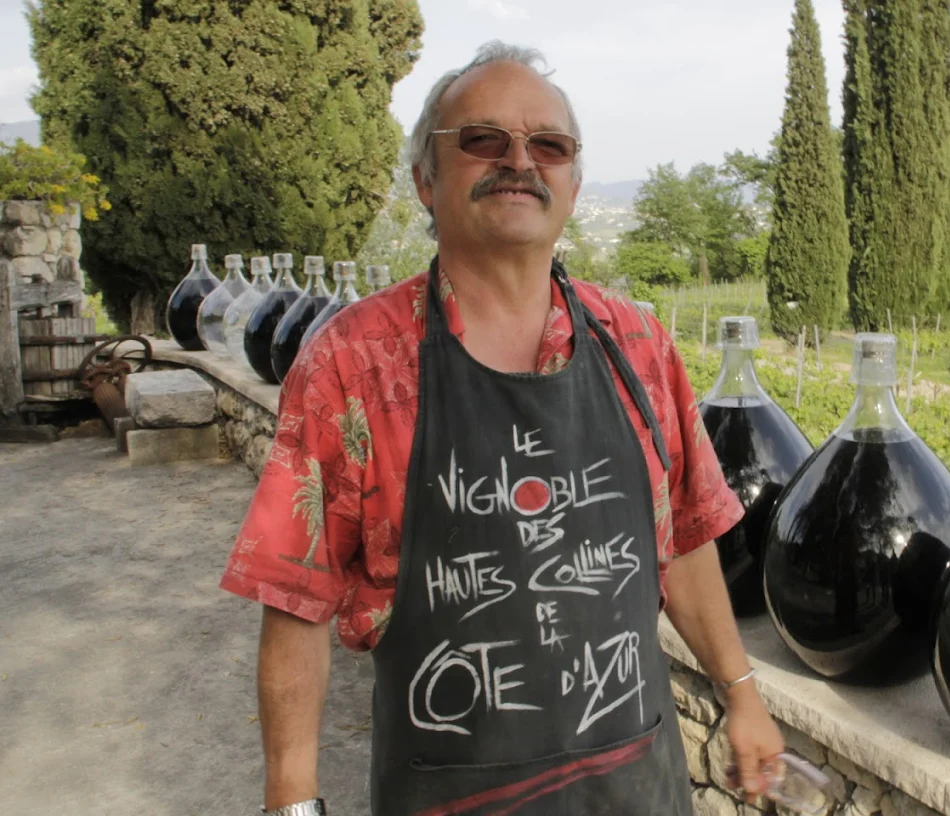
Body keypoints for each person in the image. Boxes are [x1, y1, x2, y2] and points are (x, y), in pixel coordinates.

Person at [219, 41, 784, 816]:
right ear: (425, 178)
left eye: (548, 145)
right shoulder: (351, 366)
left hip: (635, 790)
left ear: (575, 185)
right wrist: (292, 800)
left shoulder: (639, 345)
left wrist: (741, 693)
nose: (520, 160)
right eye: (484, 140)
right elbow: (295, 594)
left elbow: (684, 537)